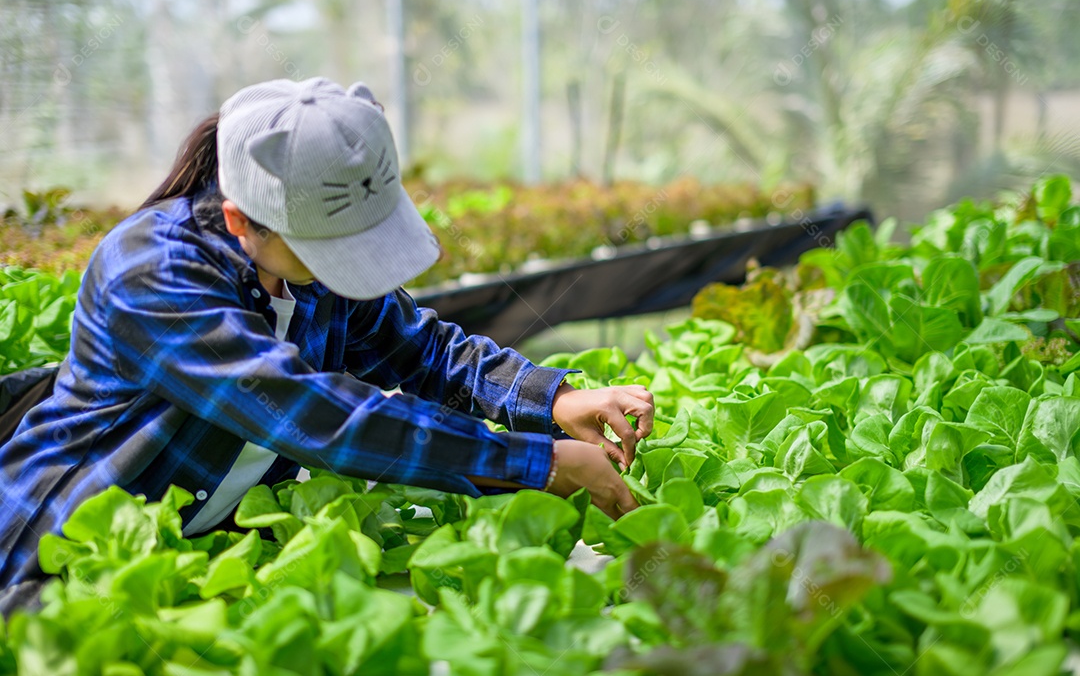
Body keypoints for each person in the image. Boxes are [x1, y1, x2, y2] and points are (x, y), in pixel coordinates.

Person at [0, 77, 653, 612]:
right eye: (332, 251)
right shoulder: (153, 271)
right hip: (54, 564)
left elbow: (425, 354)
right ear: (240, 221)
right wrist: (532, 461)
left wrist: (554, 399)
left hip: (196, 558)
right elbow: (314, 414)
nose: (349, 270)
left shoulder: (298, 255)